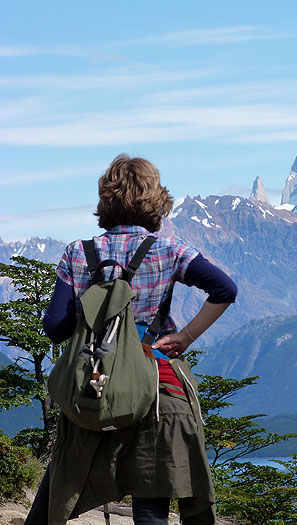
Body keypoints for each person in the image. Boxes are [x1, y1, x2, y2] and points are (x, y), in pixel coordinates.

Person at [26, 154, 237, 525]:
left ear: (105, 200)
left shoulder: (78, 253)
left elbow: (55, 327)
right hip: (154, 383)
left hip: (94, 386)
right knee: (151, 499)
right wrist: (184, 336)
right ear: (157, 202)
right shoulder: (170, 250)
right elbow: (224, 288)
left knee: (62, 477)